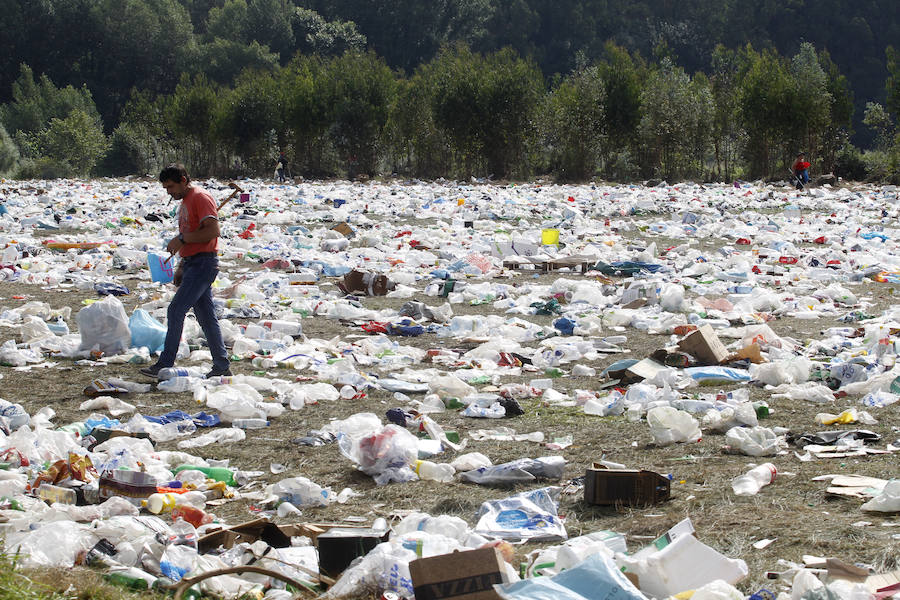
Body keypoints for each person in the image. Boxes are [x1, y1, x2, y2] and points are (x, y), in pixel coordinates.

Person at [140, 164, 232, 379]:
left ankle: (165, 363)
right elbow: (192, 234)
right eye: (165, 188)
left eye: (171, 186)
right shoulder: (185, 203)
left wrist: (181, 239)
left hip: (203, 264)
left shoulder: (200, 197)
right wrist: (181, 264)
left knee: (175, 310)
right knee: (206, 317)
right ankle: (221, 365)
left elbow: (212, 231)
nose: (169, 192)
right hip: (192, 263)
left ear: (183, 180)